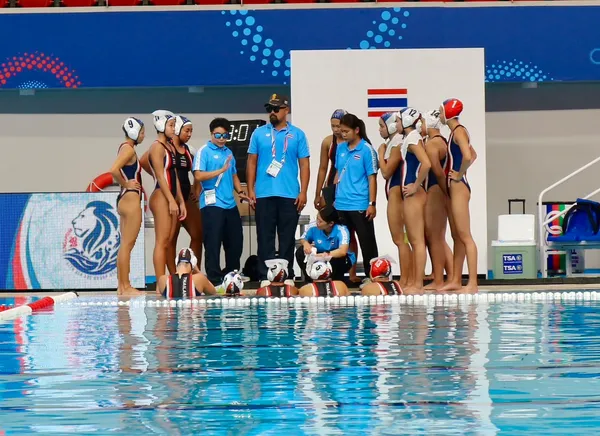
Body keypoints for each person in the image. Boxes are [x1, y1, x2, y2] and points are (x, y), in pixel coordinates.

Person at [246, 93, 310, 287]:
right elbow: (251, 162)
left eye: (275, 109)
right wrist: (251, 189)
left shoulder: (298, 134)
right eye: (269, 109)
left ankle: (286, 273)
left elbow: (304, 164)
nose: (272, 112)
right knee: (264, 236)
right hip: (264, 193)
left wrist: (303, 191)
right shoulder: (259, 133)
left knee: (287, 237)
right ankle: (265, 275)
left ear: (286, 110)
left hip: (289, 193)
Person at [193, 118, 247, 286]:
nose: (222, 138)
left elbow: (234, 175)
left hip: (230, 204)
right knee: (213, 242)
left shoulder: (229, 152)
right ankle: (214, 279)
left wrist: (241, 192)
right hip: (212, 204)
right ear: (211, 134)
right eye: (218, 135)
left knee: (235, 241)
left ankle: (231, 275)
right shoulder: (204, 151)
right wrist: (220, 170)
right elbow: (198, 175)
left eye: (225, 135)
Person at [314, 108, 361, 284]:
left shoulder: (354, 143)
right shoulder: (328, 142)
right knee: (329, 229)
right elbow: (322, 168)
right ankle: (326, 269)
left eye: (338, 126)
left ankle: (352, 272)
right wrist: (318, 193)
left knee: (350, 232)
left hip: (348, 190)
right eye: (332, 126)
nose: (335, 130)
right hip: (331, 190)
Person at [439, 98, 479, 293]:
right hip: (455, 187)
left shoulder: (459, 131)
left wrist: (459, 174)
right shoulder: (455, 132)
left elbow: (468, 156)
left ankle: (472, 283)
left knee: (465, 236)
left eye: (441, 111)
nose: (439, 115)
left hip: (459, 187)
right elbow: (474, 154)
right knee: (457, 235)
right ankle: (456, 280)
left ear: (448, 112)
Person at [334, 113, 378, 286]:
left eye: (346, 131)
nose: (343, 134)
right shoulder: (340, 148)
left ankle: (372, 275)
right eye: (341, 131)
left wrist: (372, 203)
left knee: (367, 242)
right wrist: (333, 196)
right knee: (344, 241)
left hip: (359, 203)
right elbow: (338, 173)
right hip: (341, 203)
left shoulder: (367, 150)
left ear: (356, 130)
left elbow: (372, 178)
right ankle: (342, 275)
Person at [148, 110, 187, 279]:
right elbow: (160, 176)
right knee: (162, 241)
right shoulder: (156, 147)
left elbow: (174, 176)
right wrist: (171, 200)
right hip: (161, 196)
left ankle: (168, 278)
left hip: (170, 196)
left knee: (168, 241)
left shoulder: (170, 146)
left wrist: (181, 201)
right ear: (160, 125)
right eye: (171, 125)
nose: (174, 128)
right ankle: (160, 283)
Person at [377, 111, 413, 289]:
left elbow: (386, 172)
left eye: (381, 126)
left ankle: (406, 279)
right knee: (402, 240)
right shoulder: (394, 142)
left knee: (401, 240)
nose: (379, 130)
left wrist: (380, 153)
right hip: (395, 192)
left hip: (396, 193)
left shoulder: (396, 144)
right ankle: (408, 278)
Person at [110, 117, 145, 296]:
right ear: (134, 132)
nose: (143, 136)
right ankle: (126, 286)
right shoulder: (128, 149)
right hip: (130, 199)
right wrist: (126, 183)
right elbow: (114, 170)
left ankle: (121, 286)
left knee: (124, 245)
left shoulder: (125, 148)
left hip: (124, 199)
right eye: (142, 132)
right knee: (127, 245)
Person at [399, 107, 431, 292]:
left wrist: (415, 185)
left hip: (414, 195)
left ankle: (418, 284)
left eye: (398, 120)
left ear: (406, 121)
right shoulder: (412, 138)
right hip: (413, 195)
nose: (396, 124)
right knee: (414, 240)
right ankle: (414, 282)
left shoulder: (412, 139)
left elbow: (426, 163)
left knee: (417, 241)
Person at [422, 110, 454, 290]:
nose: (420, 126)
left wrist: (446, 191)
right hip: (438, 190)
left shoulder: (433, 144)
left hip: (435, 189)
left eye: (423, 123)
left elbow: (438, 172)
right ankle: (451, 276)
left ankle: (439, 280)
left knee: (435, 237)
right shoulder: (440, 140)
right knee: (438, 237)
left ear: (429, 124)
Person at [170, 115, 203, 270]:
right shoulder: (166, 148)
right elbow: (145, 162)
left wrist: (195, 188)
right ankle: (173, 274)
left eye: (191, 131)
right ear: (177, 129)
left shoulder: (190, 150)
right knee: (171, 238)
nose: (189, 134)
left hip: (186, 196)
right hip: (172, 198)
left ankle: (193, 271)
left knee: (198, 234)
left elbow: (197, 172)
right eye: (187, 131)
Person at [295, 206, 355, 281]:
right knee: (300, 252)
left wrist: (325, 255)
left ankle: (334, 280)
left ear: (331, 223)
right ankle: (310, 279)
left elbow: (342, 251)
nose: (317, 223)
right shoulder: (313, 226)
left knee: (340, 259)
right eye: (317, 218)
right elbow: (303, 239)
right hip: (318, 254)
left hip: (334, 256)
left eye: (320, 221)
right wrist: (306, 244)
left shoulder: (342, 230)